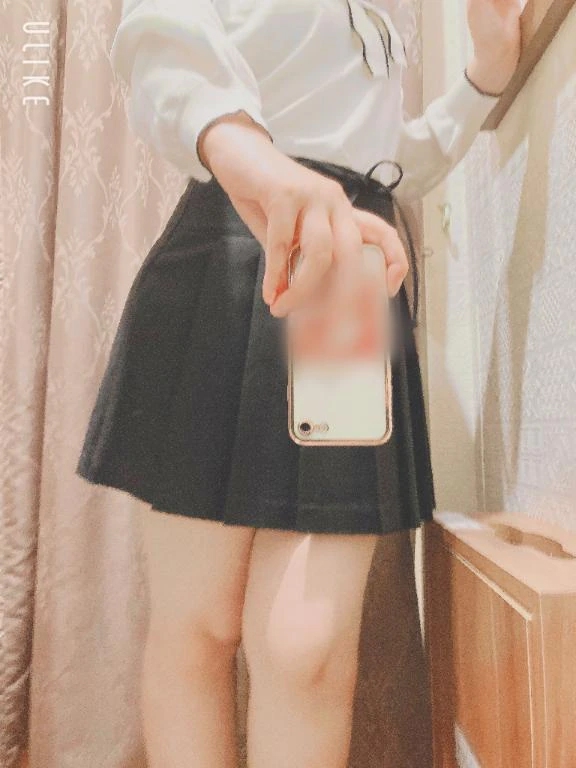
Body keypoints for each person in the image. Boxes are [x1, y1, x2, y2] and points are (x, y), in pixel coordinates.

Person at [76, 1, 521, 766]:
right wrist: (257, 161)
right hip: (230, 253)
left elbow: (381, 162)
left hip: (347, 279)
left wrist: (484, 76)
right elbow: (162, 37)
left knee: (305, 647)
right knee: (199, 625)